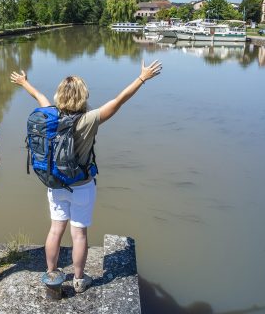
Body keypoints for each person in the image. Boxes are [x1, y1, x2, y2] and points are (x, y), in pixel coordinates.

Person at [10, 59, 162, 293]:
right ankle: (79, 280)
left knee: (55, 229)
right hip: (82, 185)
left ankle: (52, 273)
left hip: (55, 183)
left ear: (60, 94)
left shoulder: (50, 116)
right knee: (79, 234)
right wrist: (142, 78)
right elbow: (119, 100)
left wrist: (24, 83)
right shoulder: (89, 120)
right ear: (83, 96)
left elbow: (39, 97)